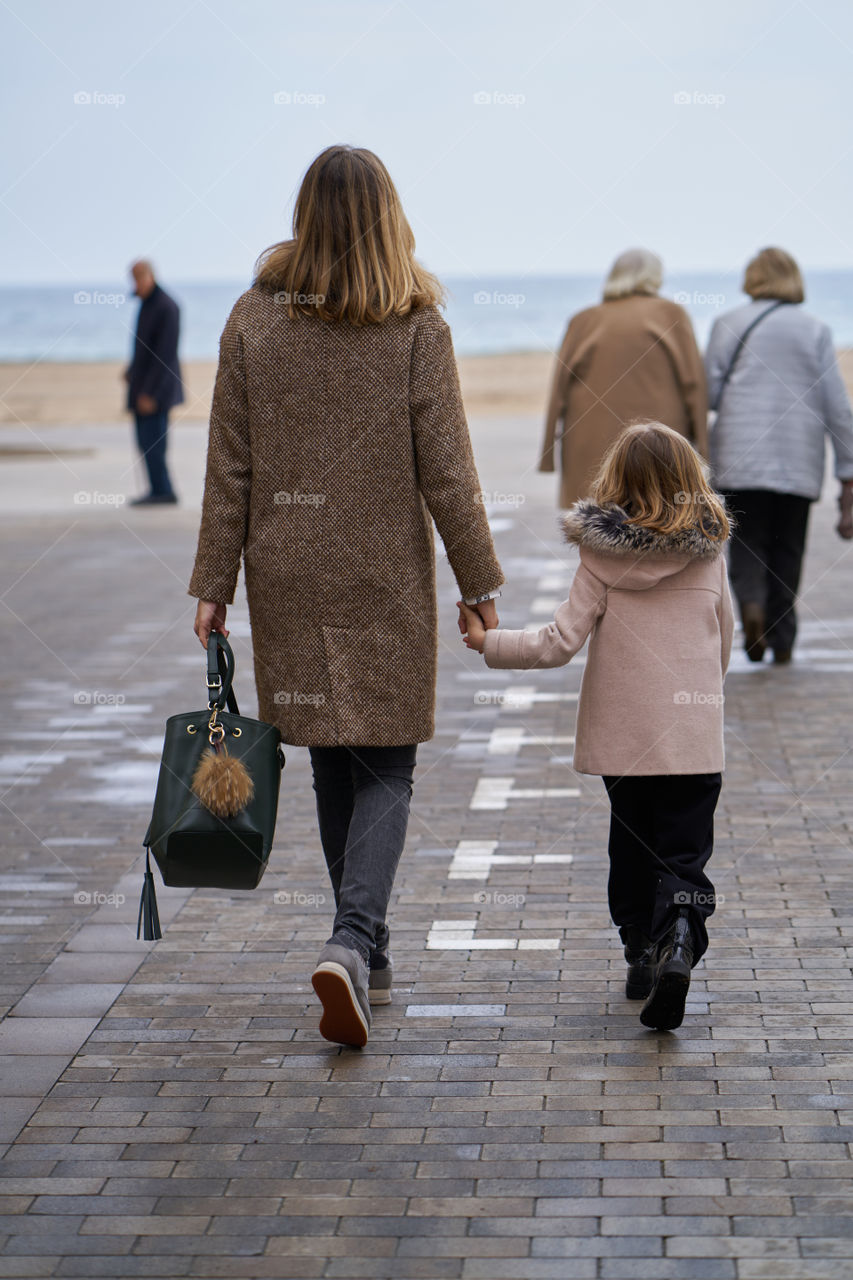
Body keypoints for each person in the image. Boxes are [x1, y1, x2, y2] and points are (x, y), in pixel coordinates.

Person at [188, 145, 504, 1049]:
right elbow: (448, 472)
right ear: (388, 217)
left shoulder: (253, 319)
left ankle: (368, 950)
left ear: (305, 216)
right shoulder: (416, 326)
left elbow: (229, 466)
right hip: (380, 574)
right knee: (387, 764)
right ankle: (355, 940)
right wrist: (478, 580)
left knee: (334, 761)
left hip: (285, 571)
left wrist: (213, 583)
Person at [461, 422, 733, 1032]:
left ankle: (639, 951)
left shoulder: (602, 556)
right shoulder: (710, 551)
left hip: (626, 742)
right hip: (692, 738)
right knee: (685, 852)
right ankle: (679, 937)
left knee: (632, 845)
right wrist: (702, 705)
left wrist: (488, 643)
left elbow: (558, 642)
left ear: (618, 481)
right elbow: (723, 638)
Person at [706, 246, 853, 664]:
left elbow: (709, 392)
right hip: (798, 457)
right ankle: (782, 638)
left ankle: (751, 606)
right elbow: (837, 406)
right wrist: (848, 469)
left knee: (746, 543)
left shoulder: (727, 323)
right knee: (788, 548)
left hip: (739, 454)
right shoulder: (815, 330)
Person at [538, 249, 708, 509]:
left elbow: (558, 389)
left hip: (590, 441)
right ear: (654, 276)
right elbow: (694, 384)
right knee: (662, 515)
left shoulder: (583, 319)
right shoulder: (671, 314)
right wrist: (702, 449)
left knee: (594, 519)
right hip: (660, 444)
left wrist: (548, 454)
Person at [124, 260, 183, 505]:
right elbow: (144, 347)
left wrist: (150, 393)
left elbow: (165, 355)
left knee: (154, 442)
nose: (135, 284)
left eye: (139, 278)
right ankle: (157, 489)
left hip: (157, 391)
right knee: (144, 441)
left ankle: (163, 491)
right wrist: (131, 371)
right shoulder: (147, 302)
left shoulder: (167, 306)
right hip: (142, 386)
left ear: (150, 276)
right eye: (133, 278)